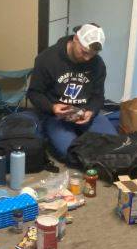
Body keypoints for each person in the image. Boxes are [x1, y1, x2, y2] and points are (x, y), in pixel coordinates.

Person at [28, 22, 118, 157]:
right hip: (56, 116)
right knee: (71, 152)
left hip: (84, 112)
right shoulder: (46, 59)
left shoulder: (98, 64)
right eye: (84, 52)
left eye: (92, 54)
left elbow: (98, 96)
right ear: (75, 39)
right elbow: (34, 93)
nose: (88, 58)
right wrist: (51, 107)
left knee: (115, 146)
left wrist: (91, 111)